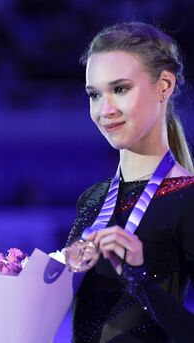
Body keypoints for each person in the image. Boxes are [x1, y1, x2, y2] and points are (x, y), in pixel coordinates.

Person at [66, 22, 194, 342]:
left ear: (164, 85)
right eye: (94, 95)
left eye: (120, 89)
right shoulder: (92, 199)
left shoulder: (188, 199)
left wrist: (139, 278)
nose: (104, 110)